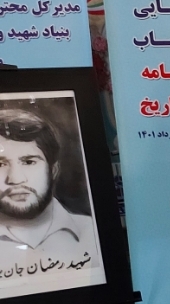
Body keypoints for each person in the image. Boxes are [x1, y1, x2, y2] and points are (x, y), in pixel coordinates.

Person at [0, 109, 98, 267]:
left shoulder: (93, 232)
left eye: (29, 162)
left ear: (53, 170)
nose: (16, 179)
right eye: (1, 164)